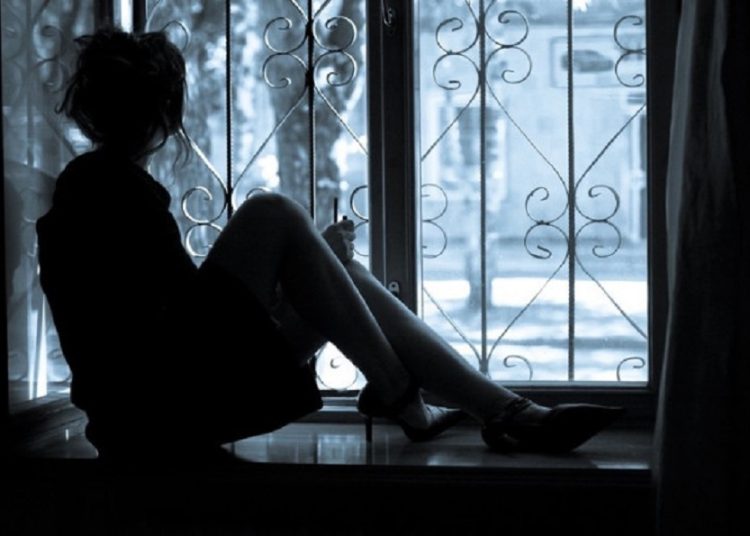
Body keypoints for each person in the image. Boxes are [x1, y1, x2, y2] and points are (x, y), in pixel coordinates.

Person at [36, 28, 622, 463]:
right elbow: (180, 332)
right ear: (165, 114)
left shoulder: (95, 187)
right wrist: (297, 270)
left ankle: (492, 409)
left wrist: (312, 268)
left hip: (158, 406)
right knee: (272, 212)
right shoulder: (110, 189)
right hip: (164, 414)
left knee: (341, 270)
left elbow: (175, 324)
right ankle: (418, 398)